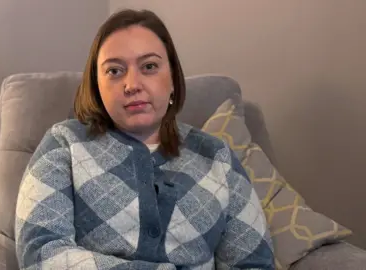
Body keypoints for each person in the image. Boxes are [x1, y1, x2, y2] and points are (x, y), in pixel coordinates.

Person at [15, 9, 275, 270]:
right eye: (115, 71)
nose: (132, 84)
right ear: (96, 85)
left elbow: (254, 262)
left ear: (172, 77)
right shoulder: (64, 143)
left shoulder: (217, 157)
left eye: (149, 67)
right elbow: (41, 252)